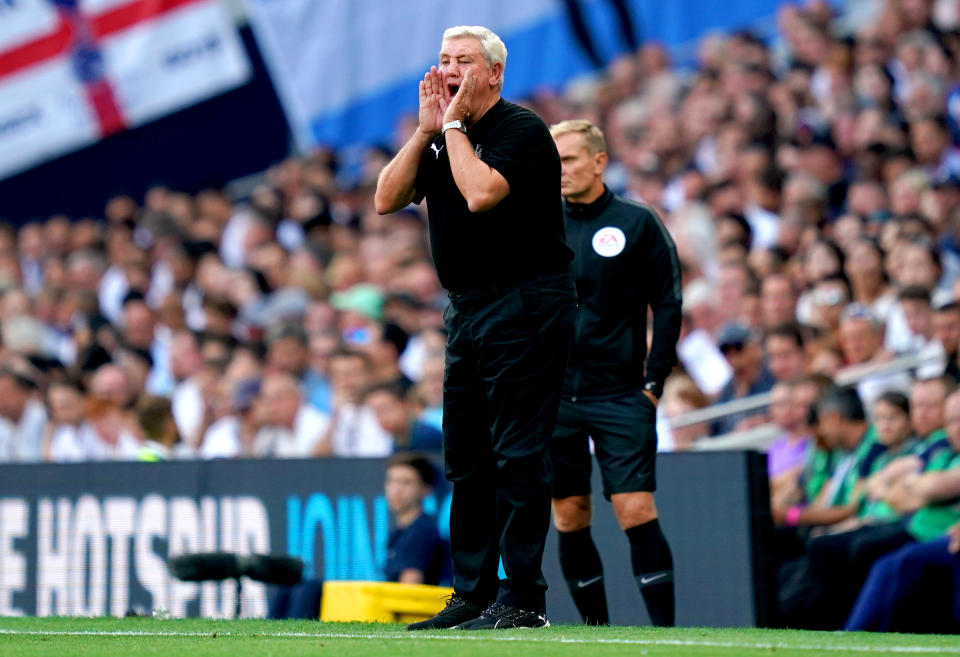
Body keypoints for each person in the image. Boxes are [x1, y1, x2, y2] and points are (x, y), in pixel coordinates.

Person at [375, 25, 577, 630]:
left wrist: (456, 128)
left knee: (517, 453)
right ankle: (471, 593)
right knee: (465, 456)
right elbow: (387, 198)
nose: (452, 69)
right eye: (443, 60)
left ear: (494, 73)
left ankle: (522, 600)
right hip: (466, 309)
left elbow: (482, 193)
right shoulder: (436, 138)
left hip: (528, 301)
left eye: (465, 60)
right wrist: (424, 131)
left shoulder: (521, 129)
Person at [546, 119, 682, 626]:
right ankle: (596, 635)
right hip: (555, 397)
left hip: (622, 393)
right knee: (570, 513)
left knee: (634, 509)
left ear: (599, 162)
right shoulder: (539, 223)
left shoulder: (636, 222)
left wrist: (654, 382)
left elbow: (667, 303)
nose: (559, 170)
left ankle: (666, 636)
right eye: (553, 161)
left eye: (570, 159)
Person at [383, 452, 451, 586]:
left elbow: (409, 594)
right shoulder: (399, 533)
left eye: (406, 483)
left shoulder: (422, 532)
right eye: (391, 481)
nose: (396, 490)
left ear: (425, 489)